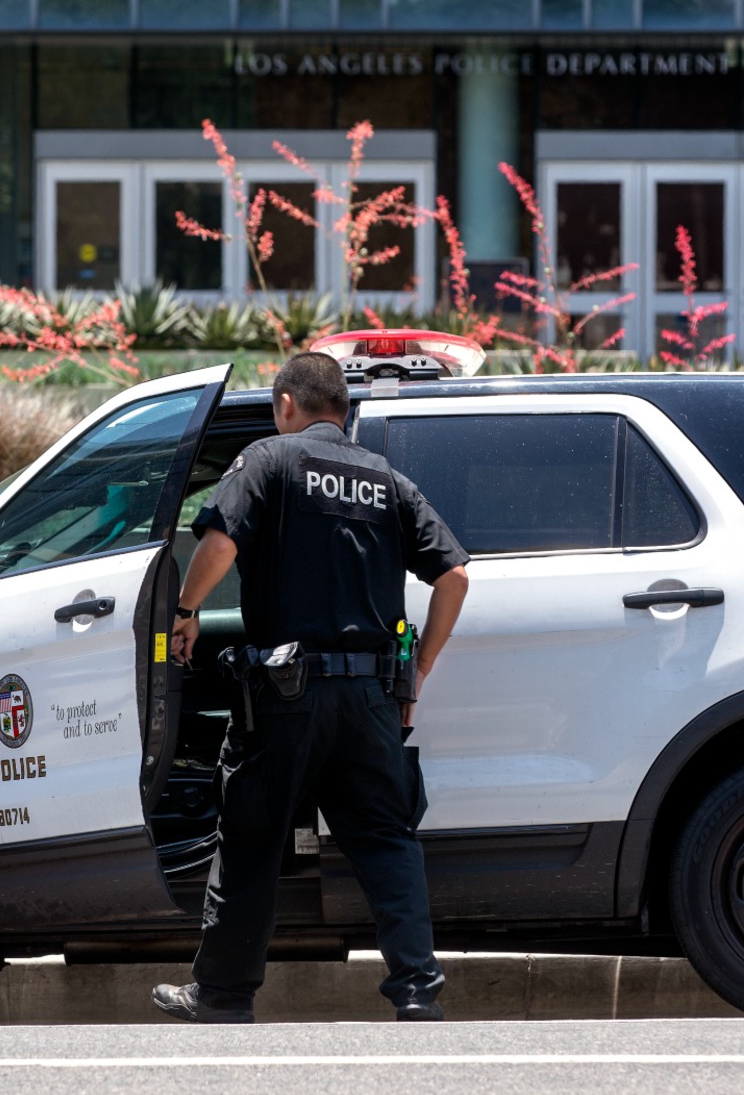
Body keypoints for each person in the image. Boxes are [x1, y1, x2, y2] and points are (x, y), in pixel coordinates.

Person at [152, 352, 470, 1025]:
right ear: (344, 412)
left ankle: (223, 995)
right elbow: (455, 577)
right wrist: (421, 666)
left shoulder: (271, 458)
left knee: (252, 837)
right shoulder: (388, 479)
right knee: (386, 839)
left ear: (288, 405)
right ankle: (417, 989)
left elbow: (218, 544)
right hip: (370, 698)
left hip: (286, 694)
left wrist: (184, 612)